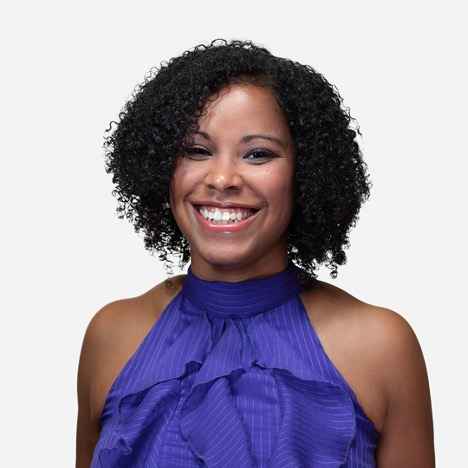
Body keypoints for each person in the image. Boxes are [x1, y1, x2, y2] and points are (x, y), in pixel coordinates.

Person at [76, 39, 435, 467]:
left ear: (306, 172)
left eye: (258, 154)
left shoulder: (380, 346)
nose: (223, 177)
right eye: (197, 150)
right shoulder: (112, 335)